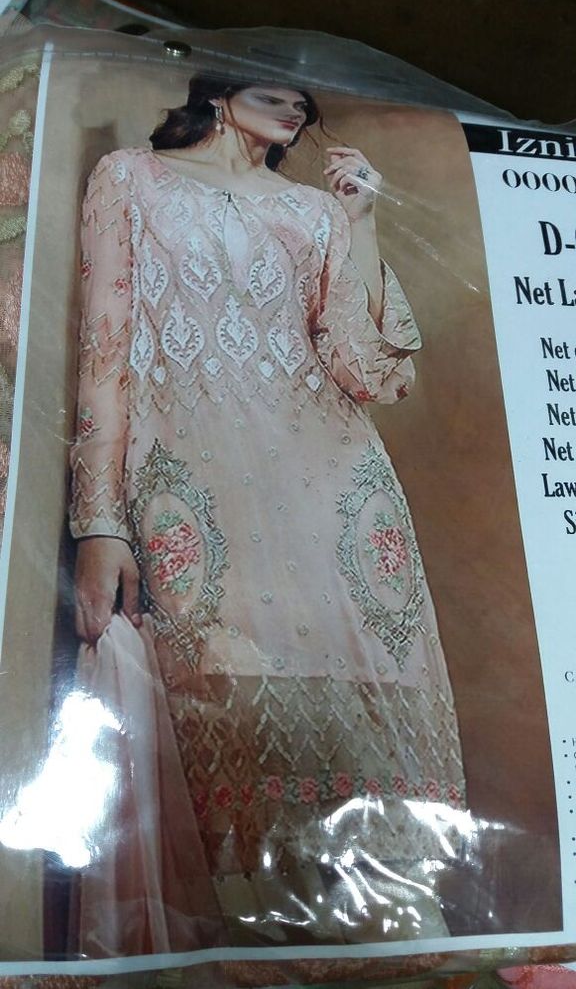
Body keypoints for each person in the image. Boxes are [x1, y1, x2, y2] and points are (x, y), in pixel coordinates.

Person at [69, 75, 466, 949]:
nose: (293, 108)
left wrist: (360, 222)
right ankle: (272, 951)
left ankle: (386, 942)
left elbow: (369, 372)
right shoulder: (130, 179)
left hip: (334, 493)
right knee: (234, 709)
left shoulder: (315, 213)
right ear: (218, 90)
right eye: (272, 90)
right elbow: (103, 352)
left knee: (353, 729)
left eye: (301, 101)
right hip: (197, 489)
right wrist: (98, 519)